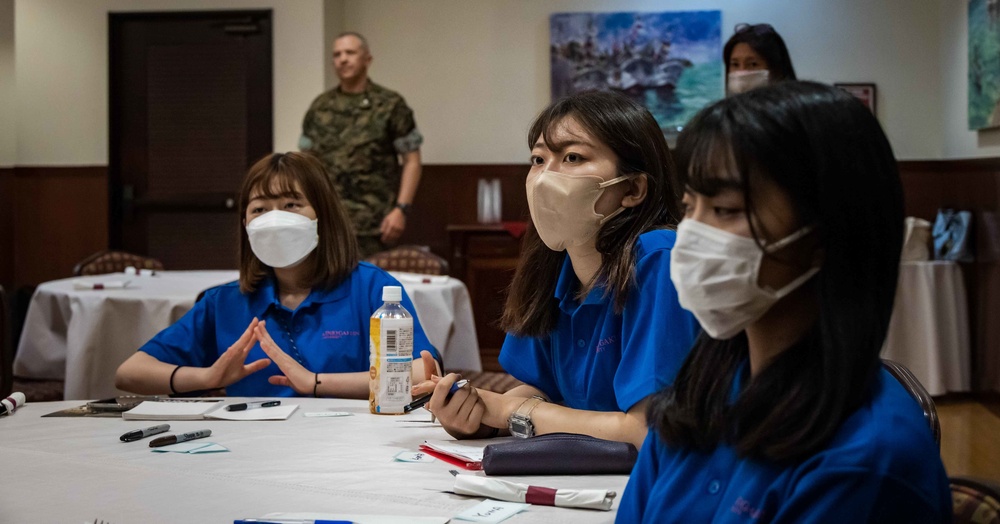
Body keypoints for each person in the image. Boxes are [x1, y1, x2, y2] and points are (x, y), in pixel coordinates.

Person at [616, 82, 951, 522]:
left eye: (726, 210)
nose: (691, 236)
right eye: (689, 206)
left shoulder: (865, 461)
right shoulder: (702, 390)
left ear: (824, 235)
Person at [418, 90, 700, 448]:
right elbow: (539, 393)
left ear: (633, 188)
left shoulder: (659, 258)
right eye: (538, 159)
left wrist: (507, 411)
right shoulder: (557, 266)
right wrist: (475, 415)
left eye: (572, 157)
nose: (545, 177)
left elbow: (648, 431)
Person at [115, 152, 439, 398]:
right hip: (252, 454)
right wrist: (206, 379)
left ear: (322, 217)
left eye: (291, 204)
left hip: (350, 446)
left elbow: (424, 370)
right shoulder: (225, 302)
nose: (274, 219)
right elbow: (130, 373)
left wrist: (314, 384)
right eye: (259, 209)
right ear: (246, 225)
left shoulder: (371, 288)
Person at [299, 31, 423, 258]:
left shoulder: (389, 104)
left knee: (371, 289)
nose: (343, 59)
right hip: (327, 222)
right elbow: (305, 164)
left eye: (350, 52)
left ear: (367, 59)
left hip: (375, 225)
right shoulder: (320, 107)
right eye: (337, 54)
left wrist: (401, 210)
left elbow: (412, 160)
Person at [724, 23, 796, 96]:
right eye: (735, 64)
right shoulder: (725, 107)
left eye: (753, 64)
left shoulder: (797, 106)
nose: (741, 72)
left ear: (777, 70)